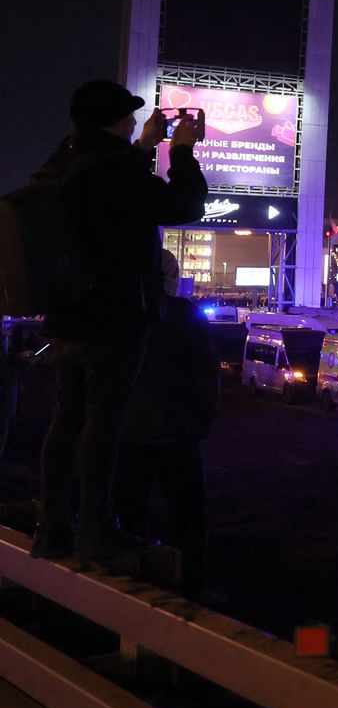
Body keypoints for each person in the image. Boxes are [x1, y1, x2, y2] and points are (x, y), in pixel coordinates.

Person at [33, 82, 206, 561]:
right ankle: (95, 528)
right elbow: (186, 206)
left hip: (66, 311)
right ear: (115, 120)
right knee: (103, 425)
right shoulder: (115, 173)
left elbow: (101, 186)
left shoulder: (63, 159)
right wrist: (182, 153)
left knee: (66, 419)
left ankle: (52, 524)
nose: (136, 122)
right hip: (115, 315)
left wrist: (145, 148)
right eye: (130, 117)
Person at [113, 250, 218, 595]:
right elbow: (205, 374)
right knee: (188, 515)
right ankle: (193, 582)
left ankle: (129, 583)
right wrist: (202, 420)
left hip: (127, 435)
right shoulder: (186, 316)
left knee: (129, 513)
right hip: (178, 434)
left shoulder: (122, 314)